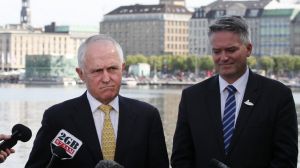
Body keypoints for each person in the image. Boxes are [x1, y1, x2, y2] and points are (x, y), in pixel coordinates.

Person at [171, 16, 298, 168]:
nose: (223, 57)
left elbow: (285, 160)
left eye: (231, 50)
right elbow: (181, 158)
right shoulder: (192, 97)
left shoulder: (278, 96)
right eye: (217, 51)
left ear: (249, 49)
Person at [25, 34, 169, 168]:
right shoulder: (57, 118)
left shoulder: (147, 116)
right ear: (81, 74)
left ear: (123, 68)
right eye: (97, 71)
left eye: (112, 69)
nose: (106, 78)